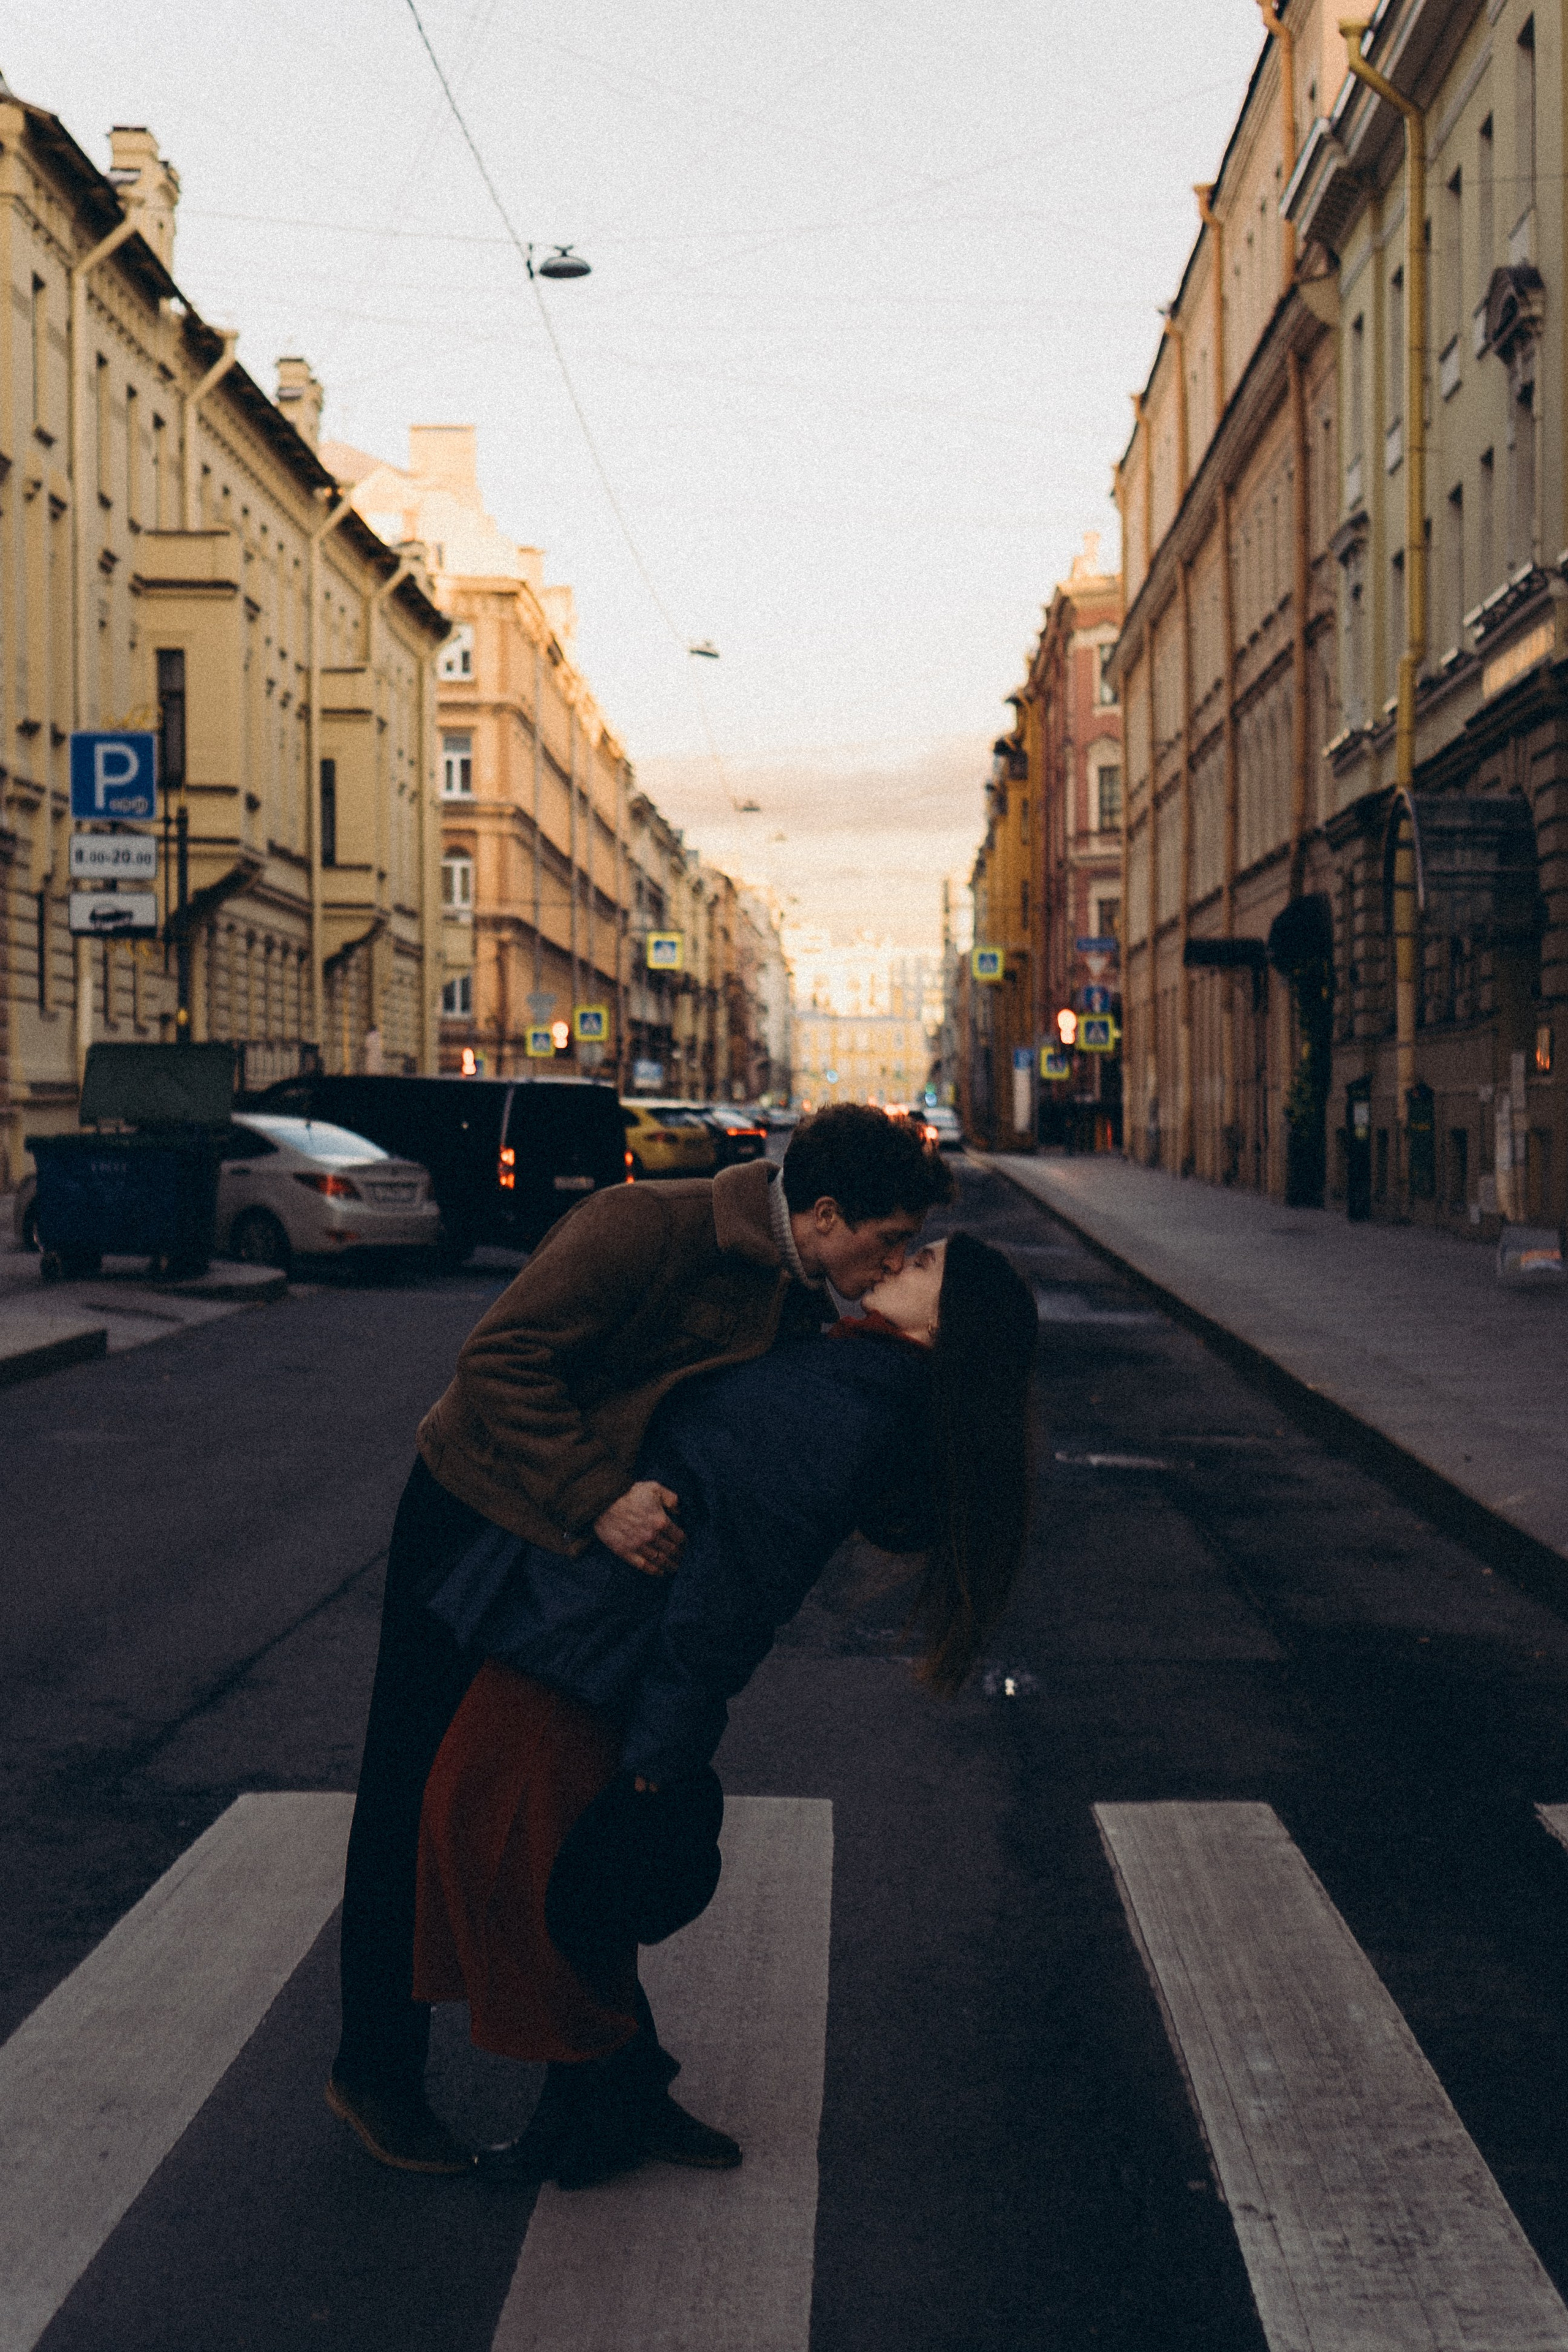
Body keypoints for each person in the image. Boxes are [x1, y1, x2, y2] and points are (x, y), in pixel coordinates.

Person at [328, 1104, 953, 2174]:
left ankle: (615, 2080)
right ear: (824, 1214)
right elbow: (497, 1362)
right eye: (889, 1241)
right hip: (476, 1513)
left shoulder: (801, 1291)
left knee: (590, 1820)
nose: (895, 1261)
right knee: (410, 1790)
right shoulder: (646, 1225)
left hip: (585, 1567)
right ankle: (375, 2074)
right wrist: (601, 1497)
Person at [412, 1230, 1039, 2190]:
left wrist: (662, 1754)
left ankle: (591, 2107)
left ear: (951, 1326)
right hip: (589, 1624)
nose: (894, 1264)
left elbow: (733, 1594)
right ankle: (619, 2088)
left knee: (499, 1850)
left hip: (594, 1640)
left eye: (921, 1265)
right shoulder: (857, 1371)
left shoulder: (855, 1406)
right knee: (539, 1857)